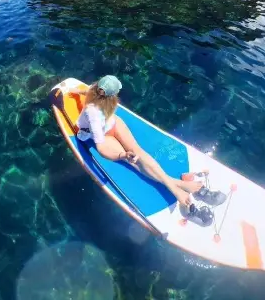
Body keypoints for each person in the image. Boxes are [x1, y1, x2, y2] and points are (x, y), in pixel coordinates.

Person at [76, 75, 225, 225]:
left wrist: (77, 92)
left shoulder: (96, 91)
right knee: (134, 162)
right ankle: (180, 187)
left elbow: (89, 91)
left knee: (139, 153)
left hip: (113, 123)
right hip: (103, 135)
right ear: (104, 92)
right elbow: (101, 146)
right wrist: (121, 155)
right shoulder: (93, 113)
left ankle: (179, 188)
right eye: (114, 92)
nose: (116, 95)